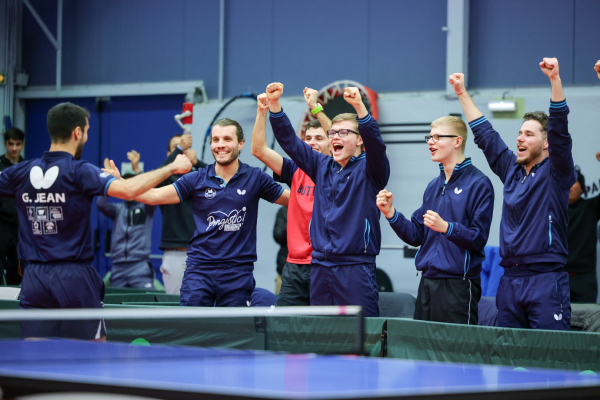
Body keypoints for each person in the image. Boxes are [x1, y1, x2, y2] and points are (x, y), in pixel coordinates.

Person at [0, 102, 191, 339]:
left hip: (33, 277)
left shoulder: (19, 172)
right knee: (94, 349)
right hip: (73, 275)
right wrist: (173, 165)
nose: (87, 137)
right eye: (87, 131)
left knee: (35, 350)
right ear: (77, 132)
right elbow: (129, 190)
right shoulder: (79, 170)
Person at [449, 58, 576, 330]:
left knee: (550, 355)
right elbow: (485, 134)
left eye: (528, 134)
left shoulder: (557, 171)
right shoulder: (511, 169)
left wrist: (555, 79)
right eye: (519, 133)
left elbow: (560, 129)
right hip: (509, 280)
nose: (519, 138)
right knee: (511, 359)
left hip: (545, 279)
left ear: (546, 143)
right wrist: (461, 92)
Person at [111, 118, 289, 307]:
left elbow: (295, 199)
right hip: (200, 270)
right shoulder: (196, 179)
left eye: (227, 139)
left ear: (240, 144)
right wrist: (121, 183)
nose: (220, 145)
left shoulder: (255, 177)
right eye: (216, 140)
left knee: (234, 332)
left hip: (238, 273)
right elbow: (154, 195)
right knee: (192, 328)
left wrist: (319, 188)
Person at [267, 82, 389, 317]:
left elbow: (376, 144)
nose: (335, 137)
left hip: (355, 267)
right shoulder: (320, 165)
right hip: (320, 267)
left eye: (344, 133)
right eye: (332, 133)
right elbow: (289, 142)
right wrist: (274, 105)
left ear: (360, 140)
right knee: (323, 335)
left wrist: (360, 108)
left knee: (360, 335)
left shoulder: (372, 169)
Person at [376, 116, 494, 325]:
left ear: (457, 141)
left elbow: (478, 238)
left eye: (438, 137)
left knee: (456, 350)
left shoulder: (479, 183)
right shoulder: (433, 186)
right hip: (428, 282)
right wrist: (391, 214)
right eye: (429, 138)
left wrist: (447, 228)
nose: (430, 142)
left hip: (459, 285)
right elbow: (416, 235)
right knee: (422, 349)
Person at [251, 88, 332, 306]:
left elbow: (342, 140)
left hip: (327, 265)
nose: (312, 142)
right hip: (295, 265)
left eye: (319, 138)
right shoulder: (295, 169)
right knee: (283, 329)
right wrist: (262, 111)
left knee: (324, 330)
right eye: (307, 138)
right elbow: (259, 150)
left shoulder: (340, 172)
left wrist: (316, 108)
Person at [97, 153, 156, 289]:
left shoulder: (146, 207)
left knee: (146, 305)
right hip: (118, 267)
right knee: (116, 306)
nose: (129, 189)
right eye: (126, 186)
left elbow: (150, 191)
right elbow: (101, 204)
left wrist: (137, 169)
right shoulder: (118, 210)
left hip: (139, 266)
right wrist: (108, 178)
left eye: (132, 185)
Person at [157, 133, 207, 294]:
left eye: (185, 149)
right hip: (176, 254)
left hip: (203, 254)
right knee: (176, 309)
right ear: (169, 155)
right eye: (177, 148)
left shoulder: (200, 177)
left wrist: (197, 162)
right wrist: (179, 149)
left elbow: (221, 180)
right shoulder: (165, 180)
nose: (182, 152)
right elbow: (157, 177)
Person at [566, 167, 599, 303]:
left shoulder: (591, 207)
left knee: (585, 323)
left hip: (584, 280)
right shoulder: (552, 210)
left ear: (583, 188)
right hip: (555, 278)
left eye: (573, 182)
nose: (568, 186)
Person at [0, 128, 25, 285]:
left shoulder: (27, 167)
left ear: (23, 144)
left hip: (20, 225)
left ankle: (16, 306)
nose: (14, 148)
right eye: (11, 144)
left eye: (17, 144)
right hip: (1, 224)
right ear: (5, 144)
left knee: (18, 266)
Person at [273, 206, 287, 294]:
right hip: (283, 271)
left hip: (310, 271)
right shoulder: (284, 211)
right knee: (280, 305)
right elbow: (278, 236)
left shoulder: (316, 210)